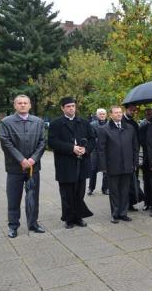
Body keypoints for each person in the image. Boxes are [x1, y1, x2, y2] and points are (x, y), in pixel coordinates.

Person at [0, 95, 46, 238]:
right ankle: (13, 226)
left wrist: (33, 159)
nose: (22, 105)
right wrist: (21, 159)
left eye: (25, 103)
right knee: (14, 198)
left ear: (30, 105)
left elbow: (42, 142)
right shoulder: (6, 122)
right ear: (15, 106)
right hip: (14, 168)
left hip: (33, 168)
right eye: (19, 103)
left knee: (33, 197)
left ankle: (33, 224)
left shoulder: (38, 122)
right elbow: (5, 142)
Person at [48, 97, 95, 229]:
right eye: (68, 106)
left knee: (79, 192)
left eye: (73, 106)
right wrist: (71, 148)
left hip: (82, 162)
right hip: (65, 163)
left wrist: (85, 149)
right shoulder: (56, 123)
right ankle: (68, 218)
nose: (71, 108)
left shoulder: (84, 122)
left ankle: (78, 217)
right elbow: (52, 142)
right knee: (67, 193)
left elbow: (92, 140)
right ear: (62, 108)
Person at [97, 106, 139, 223]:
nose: (119, 115)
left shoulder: (129, 128)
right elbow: (101, 149)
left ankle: (123, 213)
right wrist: (104, 166)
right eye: (116, 113)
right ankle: (115, 214)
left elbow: (135, 147)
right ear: (111, 115)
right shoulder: (104, 129)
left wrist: (135, 163)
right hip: (112, 165)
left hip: (127, 165)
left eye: (120, 112)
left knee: (125, 190)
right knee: (114, 191)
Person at [122, 104, 144, 211]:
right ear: (125, 110)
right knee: (125, 183)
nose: (133, 112)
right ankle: (124, 205)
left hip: (133, 156)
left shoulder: (134, 123)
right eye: (131, 110)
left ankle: (131, 203)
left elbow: (137, 141)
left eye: (134, 111)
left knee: (133, 181)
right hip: (123, 158)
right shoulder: (120, 121)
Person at [88, 108, 109, 195]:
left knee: (106, 170)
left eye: (104, 114)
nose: (102, 115)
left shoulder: (109, 124)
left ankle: (105, 188)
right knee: (93, 170)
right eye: (100, 114)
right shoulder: (92, 124)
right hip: (95, 151)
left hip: (106, 151)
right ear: (97, 115)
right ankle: (91, 188)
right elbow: (92, 138)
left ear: (106, 115)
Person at [138, 108, 152, 210]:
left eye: (151, 114)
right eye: (147, 114)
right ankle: (147, 203)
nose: (150, 115)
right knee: (147, 181)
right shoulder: (143, 127)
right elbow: (142, 143)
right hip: (147, 158)